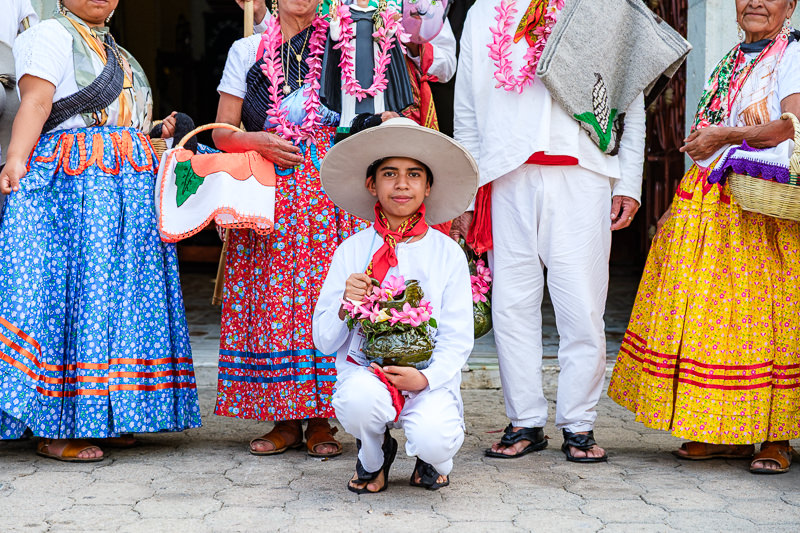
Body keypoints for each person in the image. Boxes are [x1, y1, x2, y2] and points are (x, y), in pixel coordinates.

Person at [0, 0, 200, 462]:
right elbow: (37, 101)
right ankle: (57, 426)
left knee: (114, 302)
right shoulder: (49, 35)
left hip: (124, 186)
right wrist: (15, 157)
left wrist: (157, 132)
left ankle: (104, 416)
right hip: (77, 183)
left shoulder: (118, 52)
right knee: (74, 296)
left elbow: (121, 121)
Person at [609, 0, 800, 475]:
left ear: (791, 5)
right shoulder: (734, 57)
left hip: (759, 210)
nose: (755, 2)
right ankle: (730, 436)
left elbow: (790, 126)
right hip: (713, 200)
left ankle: (775, 437)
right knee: (715, 320)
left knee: (764, 318)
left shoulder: (791, 54)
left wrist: (723, 137)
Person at [453, 0, 647, 462]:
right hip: (506, 174)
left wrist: (630, 180)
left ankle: (579, 425)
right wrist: (466, 190)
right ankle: (525, 420)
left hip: (585, 174)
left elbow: (629, 94)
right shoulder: (483, 11)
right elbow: (466, 106)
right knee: (511, 304)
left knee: (581, 306)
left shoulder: (601, 8)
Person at [213, 0, 367, 458]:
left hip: (331, 191)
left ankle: (323, 419)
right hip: (269, 190)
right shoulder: (247, 49)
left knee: (329, 295)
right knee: (275, 300)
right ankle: (284, 417)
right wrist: (253, 139)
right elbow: (222, 132)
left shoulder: (347, 45)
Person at [313, 117, 477, 493]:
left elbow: (458, 337)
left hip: (428, 379)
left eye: (414, 174)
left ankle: (432, 460)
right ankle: (373, 455)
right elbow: (323, 340)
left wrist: (427, 378)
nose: (402, 184)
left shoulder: (447, 254)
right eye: (389, 173)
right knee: (357, 401)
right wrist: (344, 305)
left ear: (428, 186)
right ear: (372, 184)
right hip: (367, 373)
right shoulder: (351, 250)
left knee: (435, 437)